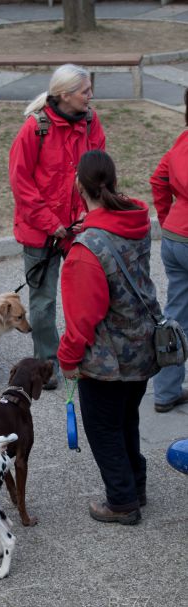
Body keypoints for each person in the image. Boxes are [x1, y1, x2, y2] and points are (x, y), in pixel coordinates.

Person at [57, 150, 162, 525]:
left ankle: (121, 502)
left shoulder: (89, 249)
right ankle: (136, 485)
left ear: (78, 187)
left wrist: (68, 360)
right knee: (125, 419)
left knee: (103, 428)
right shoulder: (134, 221)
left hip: (108, 360)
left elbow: (83, 319)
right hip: (144, 348)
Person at [9, 63, 106, 390]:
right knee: (44, 300)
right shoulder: (34, 129)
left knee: (91, 294)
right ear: (64, 95)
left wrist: (86, 215)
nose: (91, 96)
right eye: (85, 91)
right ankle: (47, 365)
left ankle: (92, 356)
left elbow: (98, 173)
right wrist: (54, 226)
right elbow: (22, 186)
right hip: (42, 231)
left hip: (81, 228)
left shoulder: (92, 122)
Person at [150, 87, 188, 413]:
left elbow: (158, 180)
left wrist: (167, 220)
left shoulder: (182, 139)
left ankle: (165, 392)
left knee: (176, 317)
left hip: (175, 238)